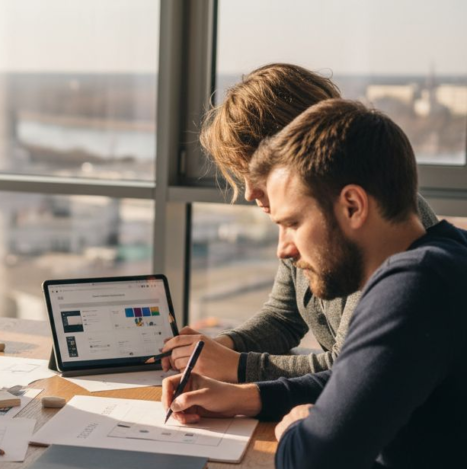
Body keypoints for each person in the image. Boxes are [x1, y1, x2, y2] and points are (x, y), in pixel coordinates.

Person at [162, 99, 467, 469]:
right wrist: (250, 397)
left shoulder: (412, 287)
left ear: (352, 205)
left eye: (292, 223)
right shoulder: (443, 257)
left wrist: (296, 429)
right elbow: (355, 384)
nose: (284, 248)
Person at [161, 63, 437, 384]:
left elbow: (348, 369)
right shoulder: (312, 221)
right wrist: (219, 347)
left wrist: (238, 368)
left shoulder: (379, 226)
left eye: (258, 170)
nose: (249, 192)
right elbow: (283, 318)